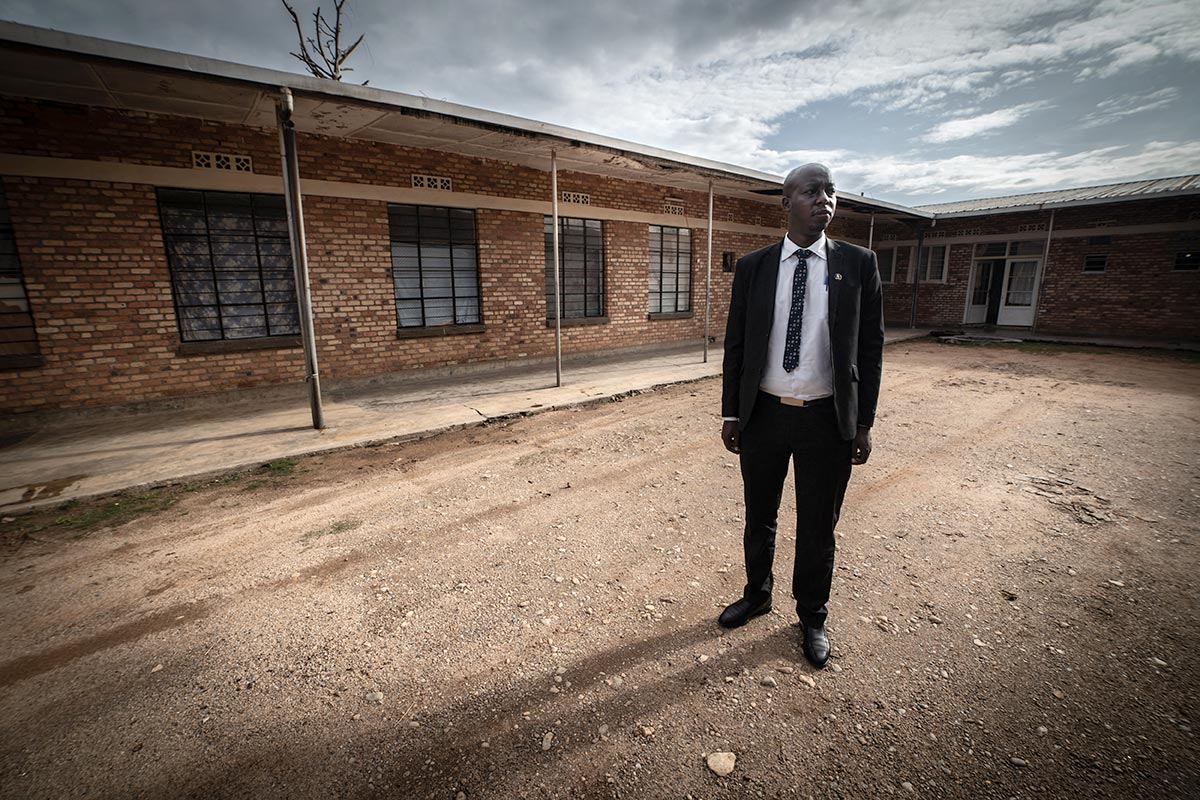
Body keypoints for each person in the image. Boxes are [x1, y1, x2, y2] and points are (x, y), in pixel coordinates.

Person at [718, 163, 884, 668]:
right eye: (812, 191)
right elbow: (737, 343)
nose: (825, 200)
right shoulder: (755, 266)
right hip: (764, 414)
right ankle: (757, 593)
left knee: (817, 525)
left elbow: (870, 349)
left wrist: (864, 422)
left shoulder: (858, 263)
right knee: (759, 516)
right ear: (786, 202)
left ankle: (812, 615)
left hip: (825, 420)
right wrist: (731, 413)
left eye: (831, 192)